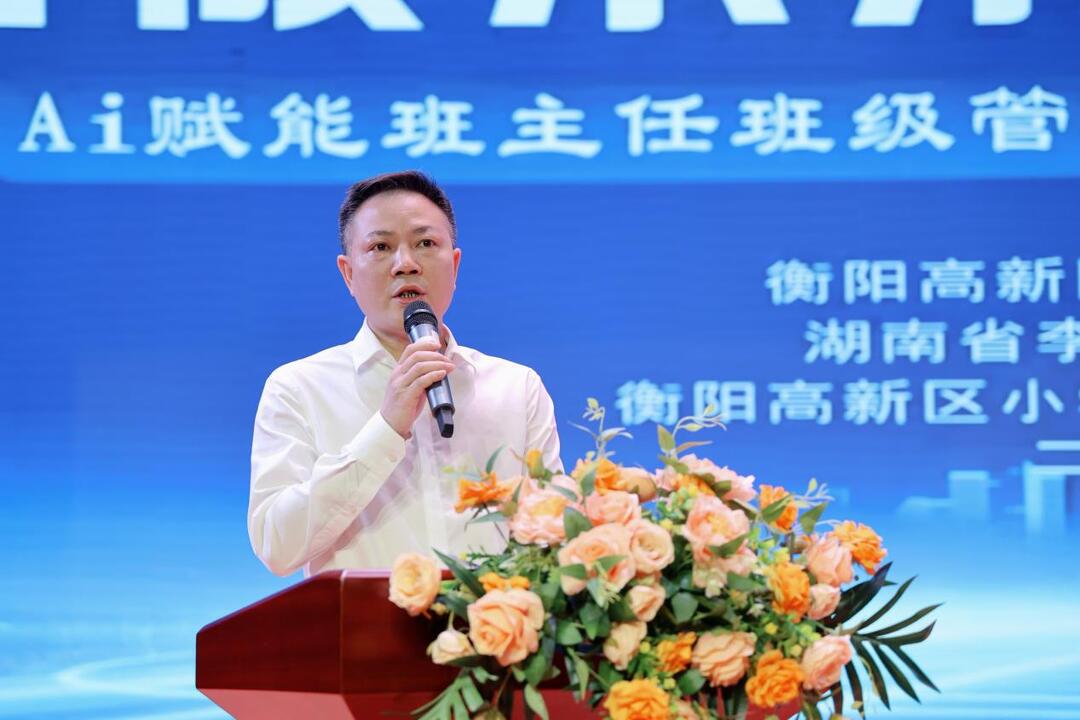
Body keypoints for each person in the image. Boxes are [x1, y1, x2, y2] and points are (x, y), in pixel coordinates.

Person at [248, 171, 562, 576]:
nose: (406, 264)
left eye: (425, 243)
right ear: (348, 274)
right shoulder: (298, 388)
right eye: (380, 247)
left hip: (491, 616)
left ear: (455, 265)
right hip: (361, 619)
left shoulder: (516, 388)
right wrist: (386, 429)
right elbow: (276, 545)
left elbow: (554, 538)